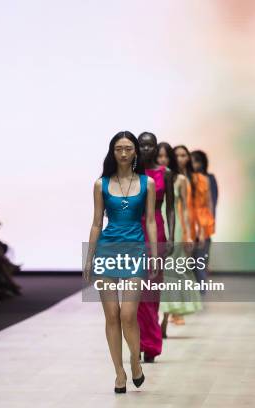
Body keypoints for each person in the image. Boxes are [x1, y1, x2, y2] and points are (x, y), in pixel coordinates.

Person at [84, 131, 155, 393]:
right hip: (107, 250)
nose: (123, 153)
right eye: (118, 149)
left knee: (128, 315)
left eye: (128, 148)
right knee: (111, 315)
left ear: (135, 151)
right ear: (112, 152)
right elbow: (95, 222)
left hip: (135, 250)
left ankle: (135, 362)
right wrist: (89, 258)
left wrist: (155, 254)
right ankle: (119, 372)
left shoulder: (147, 183)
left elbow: (149, 220)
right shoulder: (100, 184)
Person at [136, 132, 174, 363]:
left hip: (157, 229)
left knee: (152, 288)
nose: (146, 148)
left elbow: (170, 207)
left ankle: (150, 343)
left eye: (150, 145)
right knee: (136, 289)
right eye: (142, 144)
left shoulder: (165, 173)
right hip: (134, 229)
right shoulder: (131, 172)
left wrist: (170, 235)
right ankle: (140, 342)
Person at [156, 143, 202, 335]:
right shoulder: (151, 178)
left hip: (175, 229)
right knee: (158, 274)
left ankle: (166, 318)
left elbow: (185, 209)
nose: (163, 160)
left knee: (172, 274)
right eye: (160, 156)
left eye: (166, 157)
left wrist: (189, 233)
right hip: (157, 224)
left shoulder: (181, 179)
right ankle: (159, 318)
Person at [174, 146, 215, 291]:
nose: (180, 159)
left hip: (193, 225)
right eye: (177, 155)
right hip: (175, 225)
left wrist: (201, 230)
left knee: (197, 265)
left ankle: (194, 299)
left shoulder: (200, 180)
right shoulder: (169, 177)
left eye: (184, 155)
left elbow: (203, 206)